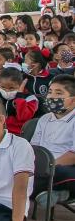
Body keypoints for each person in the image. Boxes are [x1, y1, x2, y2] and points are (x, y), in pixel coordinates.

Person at [31, 74, 75, 206]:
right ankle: (53, 193)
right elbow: (34, 147)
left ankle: (42, 189)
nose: (51, 97)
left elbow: (73, 156)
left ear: (72, 100)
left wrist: (49, 167)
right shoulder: (45, 119)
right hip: (40, 167)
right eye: (50, 92)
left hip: (62, 168)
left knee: (64, 173)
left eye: (59, 93)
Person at [0, 68, 37, 135]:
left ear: (21, 85)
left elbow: (23, 117)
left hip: (18, 134)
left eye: (11, 88)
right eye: (3, 87)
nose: (7, 91)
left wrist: (19, 97)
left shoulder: (30, 99)